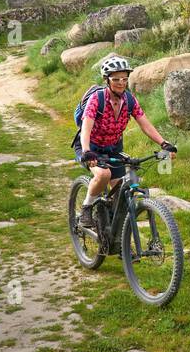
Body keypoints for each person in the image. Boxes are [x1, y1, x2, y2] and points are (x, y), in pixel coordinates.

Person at [72, 55, 175, 230]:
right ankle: (87, 208)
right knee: (103, 175)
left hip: (113, 147)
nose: (121, 83)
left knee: (120, 191)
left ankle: (115, 235)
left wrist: (163, 143)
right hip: (89, 146)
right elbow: (86, 128)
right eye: (116, 79)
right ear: (107, 80)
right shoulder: (97, 99)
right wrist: (88, 152)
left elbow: (145, 123)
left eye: (125, 79)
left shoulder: (129, 100)